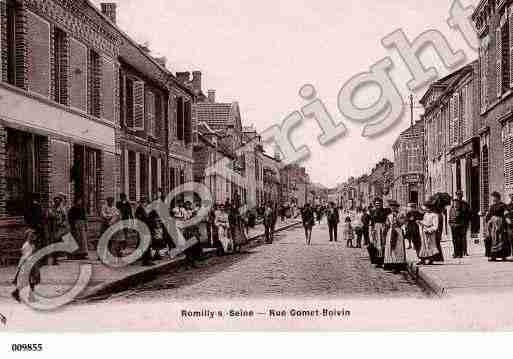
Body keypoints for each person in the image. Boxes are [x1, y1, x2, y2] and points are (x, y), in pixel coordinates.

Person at [485, 191, 511, 261]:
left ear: (498, 198)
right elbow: (488, 215)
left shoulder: (503, 205)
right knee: (493, 240)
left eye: (494, 198)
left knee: (501, 239)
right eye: (493, 198)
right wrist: (488, 220)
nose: (493, 199)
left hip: (501, 224)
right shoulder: (492, 206)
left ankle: (503, 256)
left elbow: (506, 213)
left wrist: (508, 221)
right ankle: (493, 256)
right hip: (493, 225)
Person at [383, 200, 407, 272]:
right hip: (390, 231)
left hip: (398, 231)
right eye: (391, 207)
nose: (393, 208)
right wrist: (385, 232)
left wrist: (397, 220)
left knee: (398, 247)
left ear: (397, 207)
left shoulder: (401, 215)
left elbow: (402, 223)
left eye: (394, 207)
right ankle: (391, 264)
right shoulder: (389, 216)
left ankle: (398, 265)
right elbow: (387, 224)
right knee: (390, 247)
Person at [46, 193, 69, 265]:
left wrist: (63, 223)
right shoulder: (51, 209)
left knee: (57, 243)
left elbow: (65, 218)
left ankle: (56, 258)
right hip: (52, 228)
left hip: (59, 228)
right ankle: (52, 258)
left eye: (58, 201)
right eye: (56, 201)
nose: (57, 202)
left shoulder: (62, 209)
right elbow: (48, 216)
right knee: (52, 243)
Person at [449, 190, 471, 259]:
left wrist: (467, 223)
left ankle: (461, 252)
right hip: (454, 224)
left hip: (462, 224)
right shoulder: (454, 203)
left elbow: (469, 214)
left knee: (461, 238)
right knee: (455, 239)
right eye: (458, 194)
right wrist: (450, 222)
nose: (459, 196)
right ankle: (456, 252)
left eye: (460, 194)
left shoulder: (465, 204)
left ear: (462, 195)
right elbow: (451, 213)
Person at [369, 198, 391, 266]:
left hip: (383, 227)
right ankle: (378, 261)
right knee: (377, 244)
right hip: (376, 228)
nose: (378, 205)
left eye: (379, 204)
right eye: (376, 204)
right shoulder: (373, 211)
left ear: (382, 204)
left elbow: (388, 219)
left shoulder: (386, 211)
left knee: (384, 243)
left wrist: (386, 227)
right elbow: (372, 222)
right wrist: (372, 230)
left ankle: (384, 260)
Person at [134, 197, 154, 266]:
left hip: (149, 228)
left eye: (145, 201)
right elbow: (138, 218)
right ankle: (145, 261)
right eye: (143, 202)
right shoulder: (139, 209)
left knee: (148, 244)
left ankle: (147, 259)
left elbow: (152, 218)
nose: (144, 203)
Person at [116, 193, 133, 258]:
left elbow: (130, 213)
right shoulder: (118, 204)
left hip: (125, 221)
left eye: (124, 197)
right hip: (119, 221)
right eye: (121, 197)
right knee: (120, 237)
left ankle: (122, 250)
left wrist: (131, 221)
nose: (123, 198)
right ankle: (119, 250)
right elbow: (116, 211)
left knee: (125, 236)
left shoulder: (127, 204)